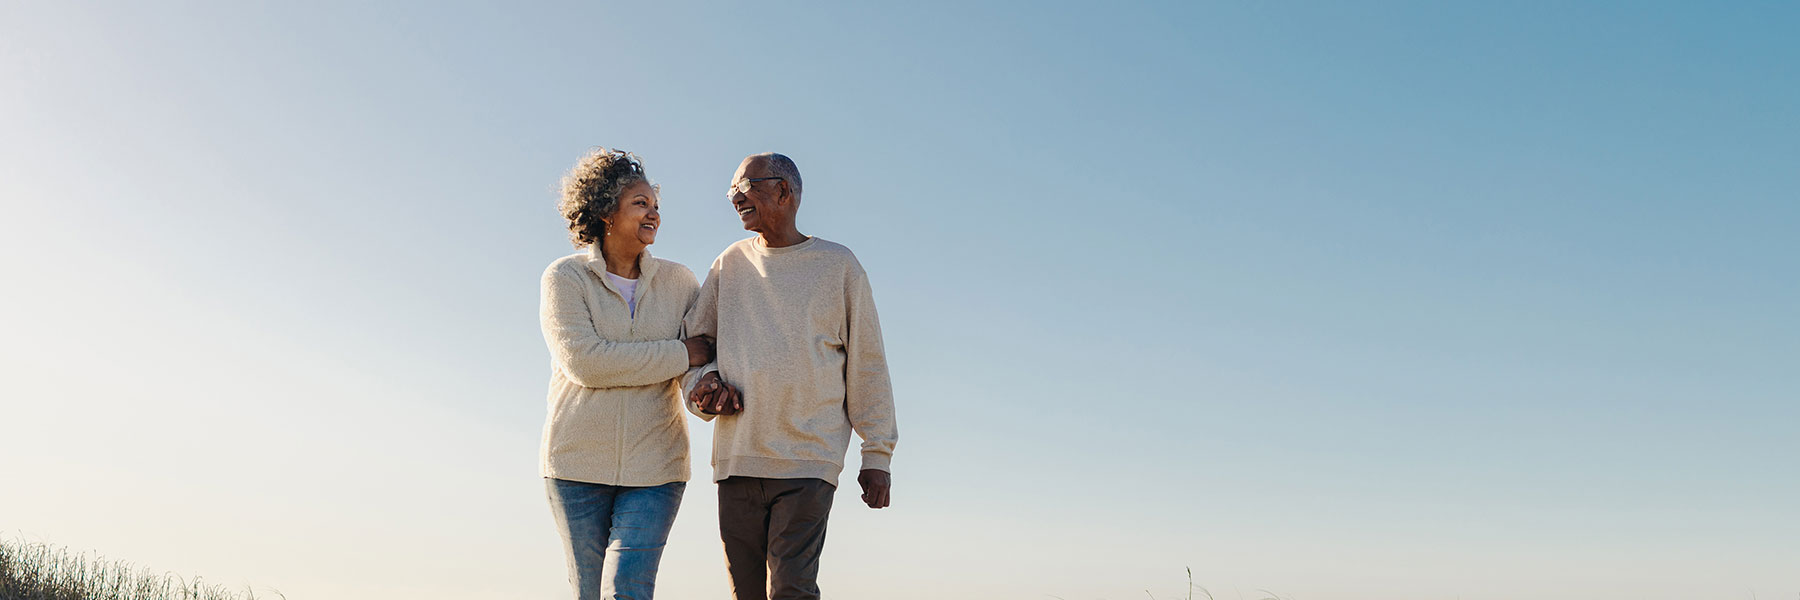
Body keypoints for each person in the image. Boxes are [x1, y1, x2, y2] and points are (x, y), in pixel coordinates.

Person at [683, 152, 899, 600]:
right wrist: (702, 387)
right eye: (731, 192)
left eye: (745, 188)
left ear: (784, 191)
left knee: (790, 588)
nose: (735, 199)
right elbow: (694, 346)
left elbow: (868, 362)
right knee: (747, 593)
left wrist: (877, 454)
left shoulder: (838, 266)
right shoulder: (729, 264)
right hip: (738, 459)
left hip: (807, 460)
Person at [538, 148, 714, 600]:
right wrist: (680, 353)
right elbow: (586, 363)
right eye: (640, 203)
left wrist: (706, 393)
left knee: (629, 590)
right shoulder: (566, 278)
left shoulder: (680, 282)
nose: (653, 213)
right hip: (576, 465)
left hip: (657, 468)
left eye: (656, 205)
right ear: (604, 212)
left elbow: (695, 367)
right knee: (589, 593)